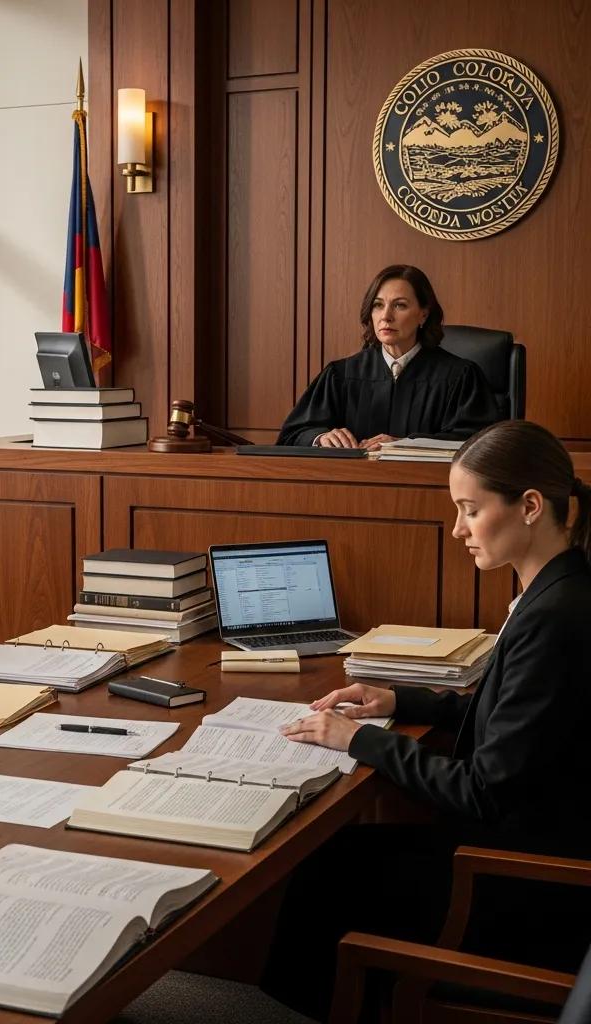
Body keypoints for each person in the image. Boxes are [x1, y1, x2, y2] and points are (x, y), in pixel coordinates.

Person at [261, 420, 591, 1017]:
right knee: (337, 857)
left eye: (470, 509)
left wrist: (359, 740)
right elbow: (508, 715)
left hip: (517, 881)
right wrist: (398, 700)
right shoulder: (557, 590)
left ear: (530, 507)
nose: (458, 528)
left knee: (328, 870)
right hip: (529, 840)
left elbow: (483, 788)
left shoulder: (556, 618)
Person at [277, 264, 501, 449]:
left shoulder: (460, 376)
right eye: (378, 305)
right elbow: (293, 435)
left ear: (423, 314)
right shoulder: (341, 375)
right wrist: (321, 438)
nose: (386, 316)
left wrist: (406, 444)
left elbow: (481, 444)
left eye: (400, 305)